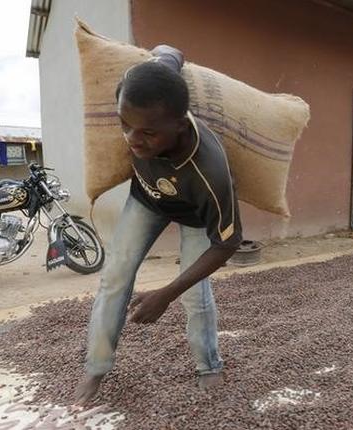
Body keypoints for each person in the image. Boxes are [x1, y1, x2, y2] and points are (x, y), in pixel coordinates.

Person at [74, 45, 242, 404]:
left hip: (195, 214)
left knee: (196, 296)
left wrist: (166, 294)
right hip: (147, 198)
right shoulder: (143, 89)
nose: (133, 140)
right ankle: (96, 366)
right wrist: (169, 52)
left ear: (179, 125)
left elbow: (226, 244)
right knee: (114, 276)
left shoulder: (210, 171)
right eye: (125, 125)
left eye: (147, 133)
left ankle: (209, 365)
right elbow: (168, 57)